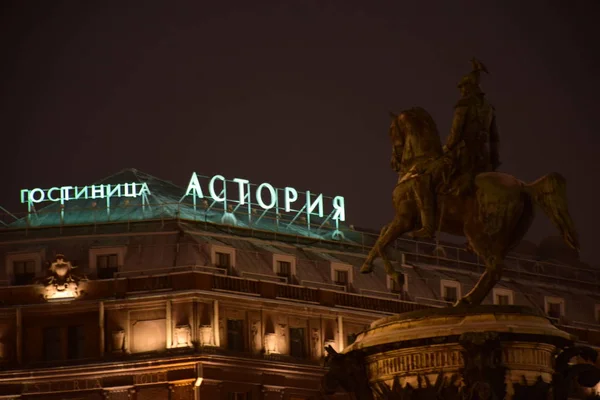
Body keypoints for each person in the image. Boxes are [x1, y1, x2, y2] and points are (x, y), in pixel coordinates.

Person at [410, 59, 501, 239]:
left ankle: (428, 227)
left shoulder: (464, 105)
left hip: (461, 155)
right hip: (482, 160)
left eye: (462, 88)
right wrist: (493, 161)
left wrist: (443, 151)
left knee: (423, 179)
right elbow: (494, 138)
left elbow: (455, 133)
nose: (461, 91)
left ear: (468, 87)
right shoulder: (489, 109)